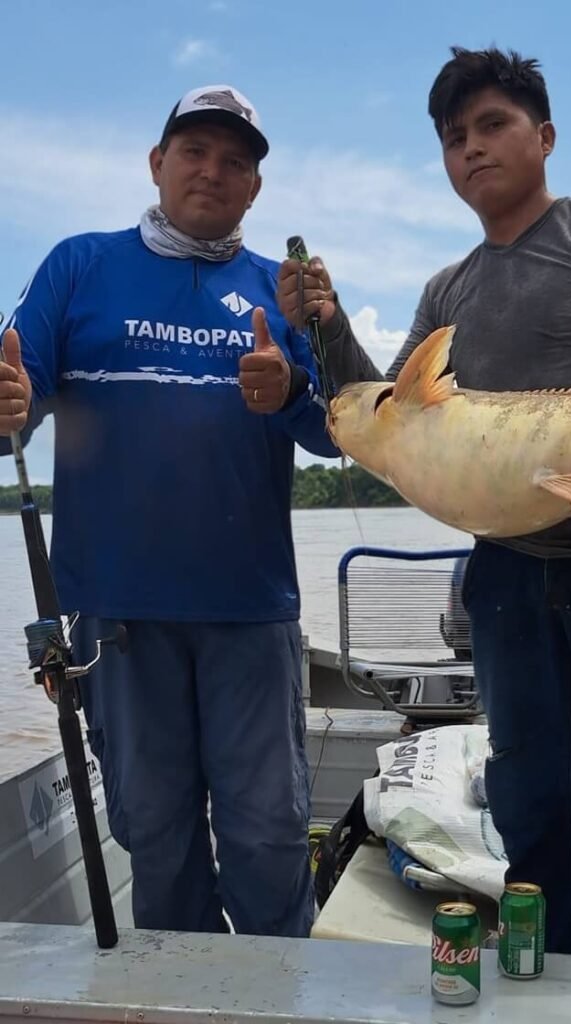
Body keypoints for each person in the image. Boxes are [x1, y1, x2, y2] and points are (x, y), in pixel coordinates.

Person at [276, 48, 571, 965]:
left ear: (544, 134)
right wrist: (327, 325)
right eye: (454, 139)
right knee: (530, 798)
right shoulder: (446, 292)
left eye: (491, 126)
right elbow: (393, 422)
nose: (472, 150)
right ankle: (555, 977)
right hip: (507, 575)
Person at [0, 84, 339, 936]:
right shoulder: (79, 264)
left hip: (250, 612)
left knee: (265, 832)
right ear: (157, 163)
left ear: (255, 188)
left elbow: (337, 434)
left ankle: (279, 990)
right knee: (155, 835)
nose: (212, 172)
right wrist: (9, 398)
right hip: (117, 616)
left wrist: (297, 380)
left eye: (235, 161)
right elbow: (21, 394)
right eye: (194, 151)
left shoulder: (279, 289)